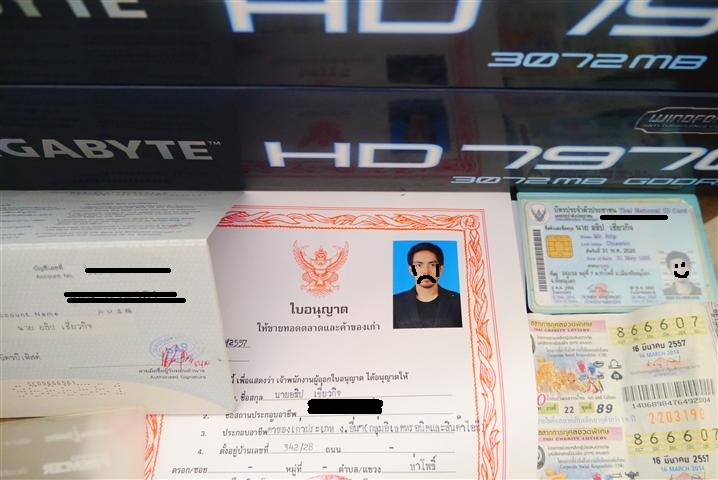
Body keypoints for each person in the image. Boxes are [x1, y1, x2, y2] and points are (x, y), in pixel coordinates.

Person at [393, 242, 462, 329]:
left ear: (440, 269)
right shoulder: (395, 303)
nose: (426, 272)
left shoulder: (458, 301)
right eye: (419, 265)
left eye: (432, 265)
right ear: (411, 270)